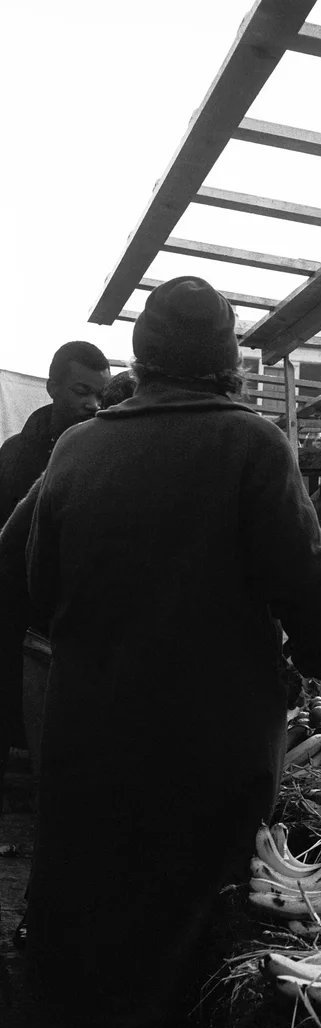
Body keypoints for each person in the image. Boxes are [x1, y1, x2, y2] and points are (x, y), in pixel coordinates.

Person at [23, 276, 321, 1028]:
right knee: (189, 949)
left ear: (143, 354)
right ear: (227, 359)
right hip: (207, 760)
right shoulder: (251, 446)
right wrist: (317, 658)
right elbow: (312, 598)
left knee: (100, 945)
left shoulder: (77, 451)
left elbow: (21, 580)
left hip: (87, 747)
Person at [0, 371, 138, 944]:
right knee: (82, 790)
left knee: (72, 791)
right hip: (62, 652)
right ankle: (66, 920)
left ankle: (60, 918)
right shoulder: (62, 459)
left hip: (65, 649)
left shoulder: (75, 456)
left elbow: (18, 553)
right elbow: (16, 555)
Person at [0, 340, 110, 526]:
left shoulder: (107, 458)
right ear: (52, 388)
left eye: (101, 395)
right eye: (82, 391)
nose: (94, 405)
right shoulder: (13, 452)